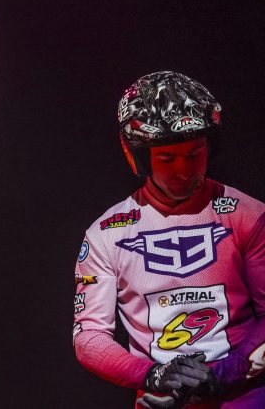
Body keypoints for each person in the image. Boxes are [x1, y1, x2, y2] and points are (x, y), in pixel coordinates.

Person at [73, 71, 265, 408]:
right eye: (167, 158)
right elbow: (88, 336)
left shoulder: (248, 215)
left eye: (194, 155)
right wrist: (152, 374)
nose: (183, 171)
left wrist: (222, 375)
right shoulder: (105, 234)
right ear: (138, 156)